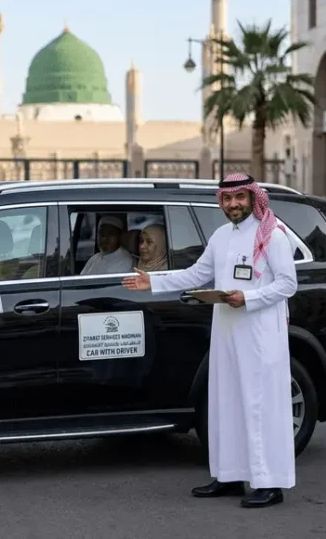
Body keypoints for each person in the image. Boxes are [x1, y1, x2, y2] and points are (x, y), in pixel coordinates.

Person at [122, 173, 298, 508]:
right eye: (227, 199)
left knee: (258, 407)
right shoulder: (220, 237)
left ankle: (269, 484)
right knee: (226, 402)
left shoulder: (273, 236)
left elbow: (288, 285)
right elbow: (196, 275)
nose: (233, 205)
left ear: (251, 198)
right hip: (228, 332)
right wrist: (153, 282)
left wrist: (248, 298)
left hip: (260, 334)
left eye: (240, 198)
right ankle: (229, 476)